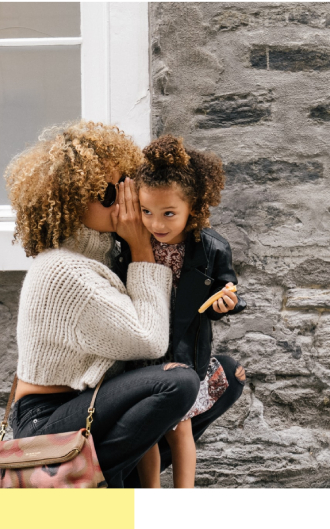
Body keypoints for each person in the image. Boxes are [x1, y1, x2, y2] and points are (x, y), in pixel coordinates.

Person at [3, 120, 201, 488]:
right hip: (47, 420)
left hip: (92, 406)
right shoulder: (63, 271)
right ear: (71, 201)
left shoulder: (104, 256)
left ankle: (122, 484)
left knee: (224, 374)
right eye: (107, 194)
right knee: (177, 382)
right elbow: (149, 339)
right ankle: (94, 482)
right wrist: (143, 249)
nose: (125, 200)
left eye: (126, 185)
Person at [112, 135, 248, 488]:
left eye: (169, 213)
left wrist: (225, 302)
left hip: (186, 349)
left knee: (180, 425)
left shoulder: (211, 248)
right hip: (144, 348)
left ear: (194, 208)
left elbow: (226, 288)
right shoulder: (132, 244)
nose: (157, 223)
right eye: (147, 211)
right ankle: (151, 492)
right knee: (150, 428)